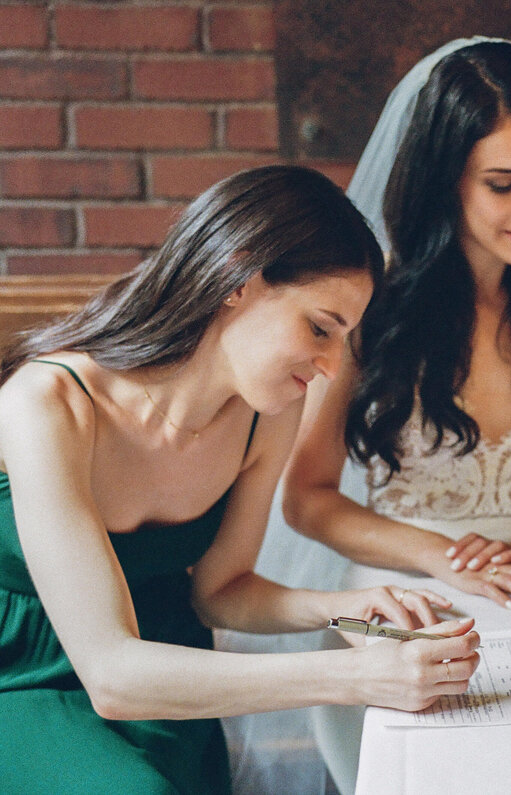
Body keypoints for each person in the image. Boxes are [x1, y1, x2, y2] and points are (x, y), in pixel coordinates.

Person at [0, 165, 480, 795]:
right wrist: (357, 678)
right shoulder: (47, 402)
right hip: (28, 674)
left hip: (174, 663)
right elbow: (112, 674)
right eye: (319, 328)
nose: (333, 367)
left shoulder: (266, 414)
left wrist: (343, 610)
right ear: (239, 280)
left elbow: (219, 591)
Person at [279, 40, 511, 791]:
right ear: (447, 182)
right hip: (402, 597)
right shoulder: (369, 306)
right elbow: (306, 498)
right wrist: (438, 556)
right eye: (503, 184)